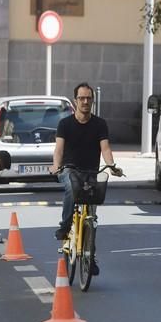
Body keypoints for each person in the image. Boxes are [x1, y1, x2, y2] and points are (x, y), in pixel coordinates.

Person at [49, 82, 122, 273]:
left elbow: (105, 148)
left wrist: (112, 166)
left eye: (89, 98)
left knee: (92, 216)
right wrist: (56, 166)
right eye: (81, 98)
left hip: (91, 173)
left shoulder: (99, 124)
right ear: (75, 101)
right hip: (69, 170)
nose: (85, 101)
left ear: (93, 100)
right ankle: (65, 226)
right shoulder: (65, 124)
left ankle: (90, 256)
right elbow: (59, 149)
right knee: (71, 190)